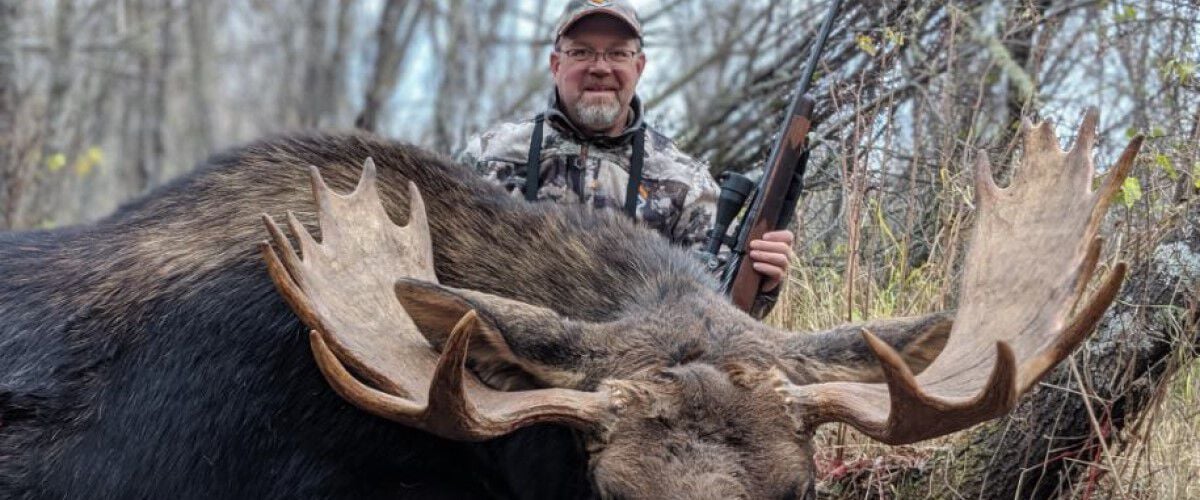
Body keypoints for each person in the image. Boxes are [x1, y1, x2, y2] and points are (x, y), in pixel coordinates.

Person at [458, 0, 793, 318]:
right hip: (500, 362)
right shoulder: (488, 157)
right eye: (581, 52)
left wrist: (762, 281)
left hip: (632, 369)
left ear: (639, 66)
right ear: (556, 65)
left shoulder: (685, 183)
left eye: (617, 53)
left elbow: (724, 315)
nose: (600, 68)